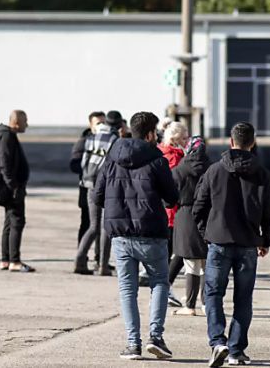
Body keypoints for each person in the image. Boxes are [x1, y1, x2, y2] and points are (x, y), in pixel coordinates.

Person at [92, 111, 179, 360]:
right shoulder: (157, 160)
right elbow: (172, 197)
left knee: (127, 290)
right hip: (152, 231)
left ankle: (133, 344)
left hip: (120, 236)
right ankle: (156, 337)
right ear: (151, 134)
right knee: (160, 282)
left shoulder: (112, 157)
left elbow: (97, 196)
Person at [193, 122, 270, 368]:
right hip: (248, 244)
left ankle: (217, 341)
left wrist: (206, 233)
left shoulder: (214, 170)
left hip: (218, 242)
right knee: (243, 298)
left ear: (231, 142)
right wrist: (266, 239)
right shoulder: (262, 173)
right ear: (252, 143)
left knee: (212, 294)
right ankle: (236, 349)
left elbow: (199, 207)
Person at [0, 110, 34, 273]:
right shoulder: (6, 136)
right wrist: (13, 186)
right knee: (17, 222)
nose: (27, 124)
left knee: (9, 223)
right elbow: (5, 163)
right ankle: (14, 261)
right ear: (16, 122)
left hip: (9, 186)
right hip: (11, 188)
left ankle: (6, 260)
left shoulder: (6, 135)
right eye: (25, 121)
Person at [74, 110, 122, 276]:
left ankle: (80, 261)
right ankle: (103, 265)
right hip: (107, 187)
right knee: (106, 226)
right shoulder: (115, 140)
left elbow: (83, 162)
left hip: (89, 184)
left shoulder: (91, 138)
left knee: (93, 226)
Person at [170, 135, 210, 316]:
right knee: (207, 264)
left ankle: (190, 305)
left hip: (186, 216)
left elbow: (169, 198)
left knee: (191, 264)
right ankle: (207, 304)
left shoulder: (180, 169)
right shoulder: (213, 168)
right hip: (209, 217)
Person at [158, 121, 189, 306]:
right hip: (174, 211)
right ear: (175, 139)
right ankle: (164, 288)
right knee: (179, 251)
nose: (187, 141)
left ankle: (162, 288)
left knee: (169, 252)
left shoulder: (159, 152)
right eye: (184, 138)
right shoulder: (176, 158)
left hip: (162, 210)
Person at [70, 111, 106, 260]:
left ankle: (99, 257)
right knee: (87, 224)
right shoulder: (84, 141)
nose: (102, 126)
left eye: (104, 123)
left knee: (102, 225)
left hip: (102, 189)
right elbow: (74, 164)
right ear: (90, 125)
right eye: (98, 123)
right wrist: (90, 169)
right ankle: (82, 256)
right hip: (87, 188)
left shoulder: (107, 141)